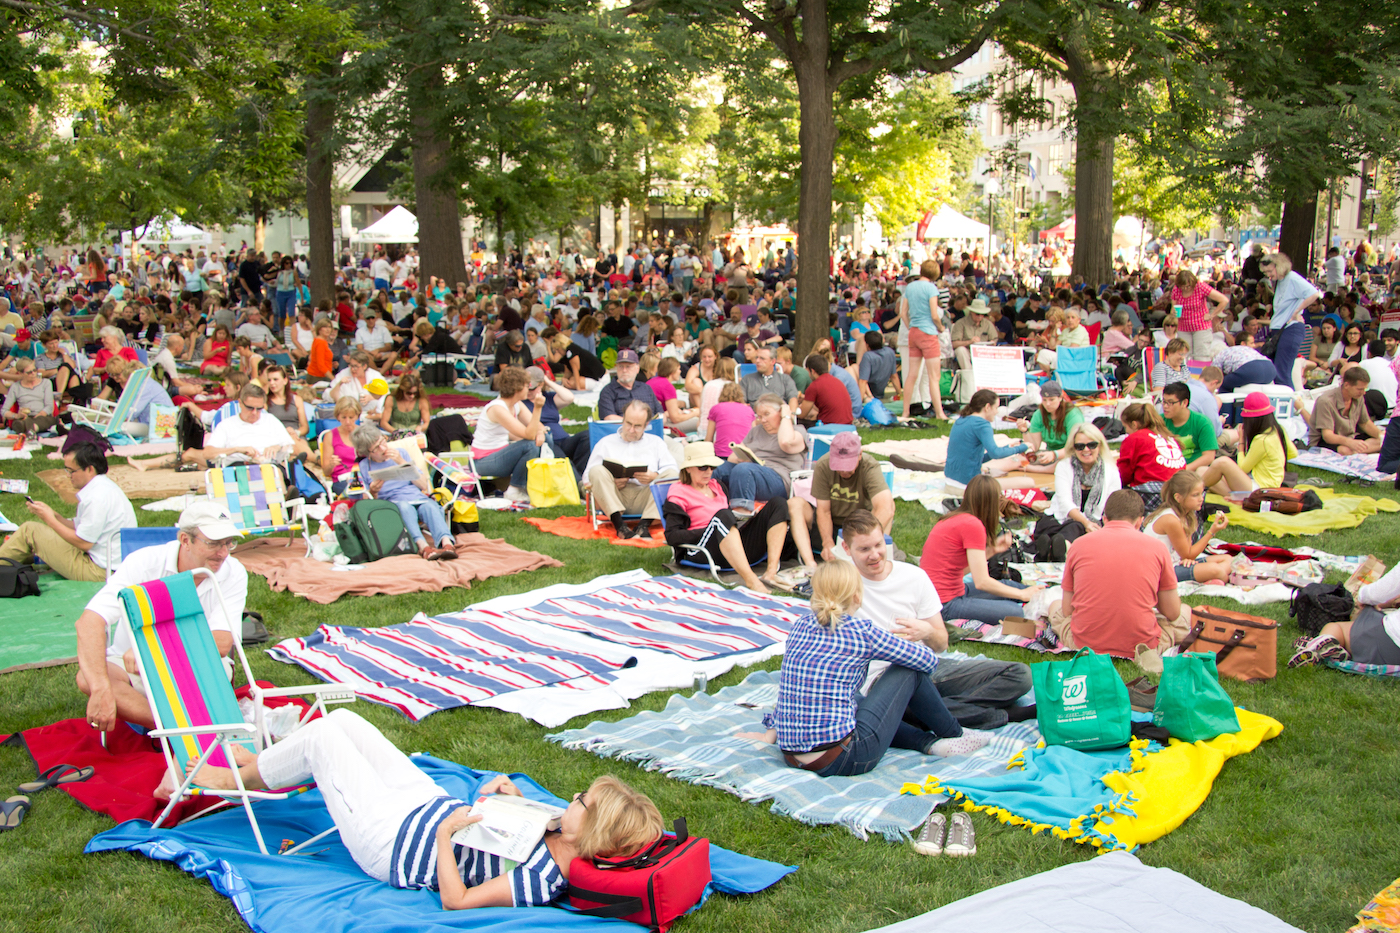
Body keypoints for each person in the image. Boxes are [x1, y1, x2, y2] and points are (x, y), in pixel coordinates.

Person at [187, 710, 661, 907]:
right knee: (344, 720)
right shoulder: (561, 827)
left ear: (592, 832)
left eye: (583, 801)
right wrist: (512, 801)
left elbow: (458, 901)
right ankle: (265, 767)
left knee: (322, 738)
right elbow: (511, 825)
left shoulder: (541, 879)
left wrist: (443, 838)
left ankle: (232, 782)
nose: (573, 798)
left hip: (394, 843)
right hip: (427, 805)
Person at [736, 561, 988, 778]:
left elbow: (792, 688)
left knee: (851, 698)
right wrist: (912, 638)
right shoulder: (861, 632)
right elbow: (927, 662)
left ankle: (930, 744)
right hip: (844, 758)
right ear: (858, 595)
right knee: (907, 671)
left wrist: (771, 734)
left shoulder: (800, 625)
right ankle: (955, 734)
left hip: (792, 754)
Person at [843, 510, 1034, 729]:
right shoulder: (842, 585)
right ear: (847, 549)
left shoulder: (913, 577)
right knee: (895, 705)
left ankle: (940, 711)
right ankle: (1000, 715)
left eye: (878, 545)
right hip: (881, 680)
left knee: (1019, 675)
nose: (875, 555)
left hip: (927, 667)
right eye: (864, 549)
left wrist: (927, 632)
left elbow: (941, 643)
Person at [75, 501, 249, 732]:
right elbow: (89, 622)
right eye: (214, 544)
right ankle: (183, 728)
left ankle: (178, 730)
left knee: (213, 672)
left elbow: (221, 643)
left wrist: (148, 650)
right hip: (134, 666)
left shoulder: (233, 571)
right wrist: (100, 689)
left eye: (229, 543)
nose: (224, 553)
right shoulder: (144, 564)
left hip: (196, 662)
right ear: (185, 540)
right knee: (88, 679)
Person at [1048, 490, 1193, 657]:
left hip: (1085, 643)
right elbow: (1172, 612)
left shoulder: (1078, 545)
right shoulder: (1158, 548)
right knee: (1185, 612)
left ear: (1104, 519)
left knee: (1054, 607)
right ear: (1140, 522)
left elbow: (1067, 610)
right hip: (1142, 647)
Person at [663, 441, 787, 593]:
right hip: (702, 550)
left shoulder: (718, 486)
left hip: (733, 544)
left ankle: (771, 572)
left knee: (778, 504)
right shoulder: (678, 493)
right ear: (688, 468)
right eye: (703, 467)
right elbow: (672, 536)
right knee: (724, 516)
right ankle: (752, 581)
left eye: (712, 467)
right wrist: (712, 529)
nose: (708, 471)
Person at [0, 443, 134, 582]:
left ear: (89, 469)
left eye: (71, 471)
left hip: (99, 571)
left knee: (30, 530)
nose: (68, 476)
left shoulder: (96, 498)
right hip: (110, 564)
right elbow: (79, 527)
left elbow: (83, 543)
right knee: (32, 536)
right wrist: (54, 515)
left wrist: (50, 520)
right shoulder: (103, 487)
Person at [920, 475, 1042, 624]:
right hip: (944, 604)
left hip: (948, 592)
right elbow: (982, 582)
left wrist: (992, 550)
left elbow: (958, 570)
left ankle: (1041, 598)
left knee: (1009, 585)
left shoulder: (954, 518)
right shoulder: (973, 525)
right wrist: (1022, 594)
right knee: (1015, 612)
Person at [788, 431, 895, 569]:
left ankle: (872, 554)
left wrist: (862, 540)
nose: (843, 471)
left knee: (889, 505)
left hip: (860, 525)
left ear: (860, 455)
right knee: (794, 504)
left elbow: (885, 507)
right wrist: (827, 543)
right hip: (831, 523)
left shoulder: (870, 466)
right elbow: (824, 511)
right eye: (839, 466)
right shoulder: (823, 465)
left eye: (848, 466)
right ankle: (810, 565)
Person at [353, 424, 459, 561]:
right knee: (404, 507)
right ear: (368, 453)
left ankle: (447, 544)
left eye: (382, 442)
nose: (383, 448)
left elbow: (422, 485)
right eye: (376, 448)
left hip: (417, 496)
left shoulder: (401, 453)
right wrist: (373, 491)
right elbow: (367, 504)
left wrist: (401, 462)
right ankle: (423, 547)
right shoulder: (364, 467)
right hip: (393, 504)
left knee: (430, 507)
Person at [584, 400, 677, 538]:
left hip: (645, 497)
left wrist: (654, 476)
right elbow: (588, 477)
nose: (631, 430)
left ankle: (643, 525)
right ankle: (620, 526)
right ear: (623, 420)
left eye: (637, 426)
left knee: (672, 474)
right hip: (615, 495)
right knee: (596, 470)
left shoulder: (656, 442)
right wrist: (610, 482)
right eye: (628, 424)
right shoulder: (606, 443)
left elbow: (672, 471)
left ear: (646, 425)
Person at [1033, 422, 1121, 561]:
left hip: (1094, 520)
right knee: (1070, 526)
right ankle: (1057, 549)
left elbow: (1114, 504)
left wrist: (1091, 524)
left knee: (1077, 528)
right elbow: (1064, 503)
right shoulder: (1064, 466)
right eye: (1080, 446)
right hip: (1062, 517)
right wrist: (1086, 523)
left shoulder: (1110, 471)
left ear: (1100, 445)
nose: (1086, 450)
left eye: (1091, 445)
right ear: (1073, 448)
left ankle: (1055, 550)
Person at [1291, 561, 1400, 668]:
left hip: (1388, 646)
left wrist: (1361, 596)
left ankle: (1317, 646)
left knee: (1337, 628)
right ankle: (1332, 650)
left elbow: (1376, 594)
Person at [714, 393, 808, 514]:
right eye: (759, 416)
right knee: (717, 467)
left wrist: (786, 417)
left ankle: (741, 515)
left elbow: (786, 443)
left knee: (743, 470)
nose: (763, 420)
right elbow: (732, 458)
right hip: (750, 470)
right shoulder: (756, 431)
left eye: (767, 414)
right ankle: (706, 506)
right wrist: (744, 459)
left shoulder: (797, 430)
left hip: (780, 478)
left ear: (781, 411)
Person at [1142, 471, 1232, 585]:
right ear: (1178, 497)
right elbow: (1189, 554)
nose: (1201, 499)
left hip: (1176, 562)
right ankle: (1220, 579)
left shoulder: (1185, 514)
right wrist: (1212, 531)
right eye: (1195, 495)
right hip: (1160, 571)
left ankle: (1210, 579)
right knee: (1216, 570)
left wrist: (1187, 557)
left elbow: (1188, 553)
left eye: (1201, 493)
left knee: (1228, 559)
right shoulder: (1170, 519)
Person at [470, 367, 545, 503]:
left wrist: (540, 432)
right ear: (517, 388)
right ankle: (514, 490)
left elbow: (538, 426)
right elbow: (528, 435)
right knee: (530, 445)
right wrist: (537, 408)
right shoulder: (498, 408)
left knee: (546, 439)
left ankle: (546, 484)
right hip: (482, 461)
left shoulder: (516, 404)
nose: (528, 389)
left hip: (499, 454)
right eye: (526, 386)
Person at [1200, 392, 1297, 495]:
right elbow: (1293, 453)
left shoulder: (1262, 440)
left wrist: (1241, 442)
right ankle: (1233, 496)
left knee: (1222, 462)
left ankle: (1195, 492)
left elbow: (1243, 468)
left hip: (1260, 487)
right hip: (1268, 483)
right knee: (1202, 471)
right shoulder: (1278, 429)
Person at [944, 389, 1030, 488]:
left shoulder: (961, 420)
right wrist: (1022, 447)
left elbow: (974, 458)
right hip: (968, 485)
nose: (997, 412)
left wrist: (1008, 447)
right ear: (987, 407)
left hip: (950, 480)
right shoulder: (982, 424)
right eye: (996, 408)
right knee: (1029, 482)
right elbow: (996, 454)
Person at [1262, 253, 1320, 388]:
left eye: (1270, 271)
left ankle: (1290, 405)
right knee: (1276, 372)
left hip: (1290, 328)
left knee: (1281, 373)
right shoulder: (1281, 281)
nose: (1268, 275)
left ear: (1280, 266)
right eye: (1265, 272)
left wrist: (1296, 311)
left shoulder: (1292, 278)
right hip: (1281, 329)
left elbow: (1314, 293)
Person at [899, 259, 947, 421]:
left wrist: (910, 326)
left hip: (913, 332)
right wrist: (940, 327)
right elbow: (934, 314)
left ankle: (906, 411)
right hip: (928, 333)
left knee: (912, 375)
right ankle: (940, 413)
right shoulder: (931, 288)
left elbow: (903, 313)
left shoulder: (910, 287)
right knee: (934, 376)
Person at [1116, 401, 1186, 508]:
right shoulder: (1167, 436)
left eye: (1126, 427)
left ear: (1134, 424)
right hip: (1179, 489)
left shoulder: (1135, 438)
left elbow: (1123, 475)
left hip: (1154, 492)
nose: (1127, 432)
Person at [1308, 366, 1382, 454]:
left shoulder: (1358, 397)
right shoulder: (1326, 401)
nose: (1363, 393)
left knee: (1381, 441)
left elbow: (1365, 423)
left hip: (1350, 437)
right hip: (1325, 441)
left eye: (1364, 389)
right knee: (1345, 450)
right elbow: (1328, 436)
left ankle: (1362, 450)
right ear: (1346, 385)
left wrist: (1382, 436)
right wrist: (1349, 442)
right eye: (1360, 389)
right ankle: (1364, 450)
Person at [1020, 381, 1084, 473]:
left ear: (1060, 398)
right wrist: (1024, 431)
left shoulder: (1072, 414)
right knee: (1020, 459)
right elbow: (1034, 446)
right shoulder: (1039, 414)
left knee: (1066, 464)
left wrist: (1055, 454)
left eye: (1051, 399)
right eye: (1044, 400)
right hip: (1050, 454)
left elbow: (1075, 446)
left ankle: (1040, 470)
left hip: (1071, 454)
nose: (1047, 404)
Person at [1170, 269, 1230, 359]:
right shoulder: (1176, 289)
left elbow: (1224, 300)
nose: (1187, 288)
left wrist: (1212, 315)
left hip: (1201, 327)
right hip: (1183, 327)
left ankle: (1201, 373)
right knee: (1184, 357)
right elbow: (1173, 308)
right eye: (1184, 287)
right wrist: (1174, 312)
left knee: (1201, 356)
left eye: (1189, 286)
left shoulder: (1200, 286)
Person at [1161, 381, 1217, 471]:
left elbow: (1209, 457)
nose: (1165, 406)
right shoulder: (1159, 421)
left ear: (1184, 403)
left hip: (1192, 471)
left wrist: (1184, 470)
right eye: (1164, 402)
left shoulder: (1202, 422)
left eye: (1170, 403)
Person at [597, 349, 659, 421]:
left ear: (637, 369)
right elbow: (609, 418)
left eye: (628, 366)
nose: (624, 370)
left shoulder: (646, 388)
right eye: (620, 366)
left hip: (650, 429)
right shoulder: (608, 391)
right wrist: (636, 424)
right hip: (620, 430)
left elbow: (660, 414)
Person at [2, 358, 56, 435]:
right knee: (20, 422)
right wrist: (16, 415)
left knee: (40, 421)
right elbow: (4, 411)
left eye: (34, 370)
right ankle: (30, 430)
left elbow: (49, 407)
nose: (34, 374)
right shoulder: (15, 387)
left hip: (42, 416)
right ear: (20, 373)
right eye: (29, 372)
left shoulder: (46, 383)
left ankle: (28, 429)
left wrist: (39, 415)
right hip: (25, 417)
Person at [320, 397, 362, 494]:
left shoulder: (363, 433)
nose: (347, 422)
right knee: (357, 492)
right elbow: (326, 471)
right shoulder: (330, 436)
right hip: (342, 479)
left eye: (351, 417)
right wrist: (331, 464)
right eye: (344, 417)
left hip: (362, 476)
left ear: (357, 416)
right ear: (338, 417)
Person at [646, 357, 699, 433]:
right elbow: (675, 419)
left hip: (650, 420)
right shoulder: (667, 386)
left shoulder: (652, 381)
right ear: (672, 371)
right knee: (700, 422)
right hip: (660, 424)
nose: (680, 372)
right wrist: (694, 413)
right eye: (678, 369)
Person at [799, 354, 853, 426]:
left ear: (812, 371)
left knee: (797, 422)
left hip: (829, 426)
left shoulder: (814, 386)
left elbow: (801, 414)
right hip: (848, 424)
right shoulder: (837, 381)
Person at [705, 382, 753, 458]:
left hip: (721, 454)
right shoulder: (749, 410)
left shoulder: (716, 408)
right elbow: (753, 435)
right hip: (743, 454)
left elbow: (708, 438)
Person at [949, 298, 998, 371]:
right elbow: (953, 344)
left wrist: (992, 342)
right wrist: (969, 342)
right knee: (960, 350)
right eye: (977, 314)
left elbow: (994, 339)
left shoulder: (988, 324)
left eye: (982, 314)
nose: (980, 316)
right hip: (967, 352)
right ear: (971, 312)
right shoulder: (961, 323)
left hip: (983, 352)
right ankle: (969, 374)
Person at [856, 331, 899, 402]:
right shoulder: (890, 352)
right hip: (880, 392)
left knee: (853, 367)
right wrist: (899, 394)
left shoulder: (868, 356)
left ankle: (863, 399)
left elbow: (863, 381)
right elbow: (894, 376)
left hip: (869, 393)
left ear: (867, 345)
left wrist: (859, 402)